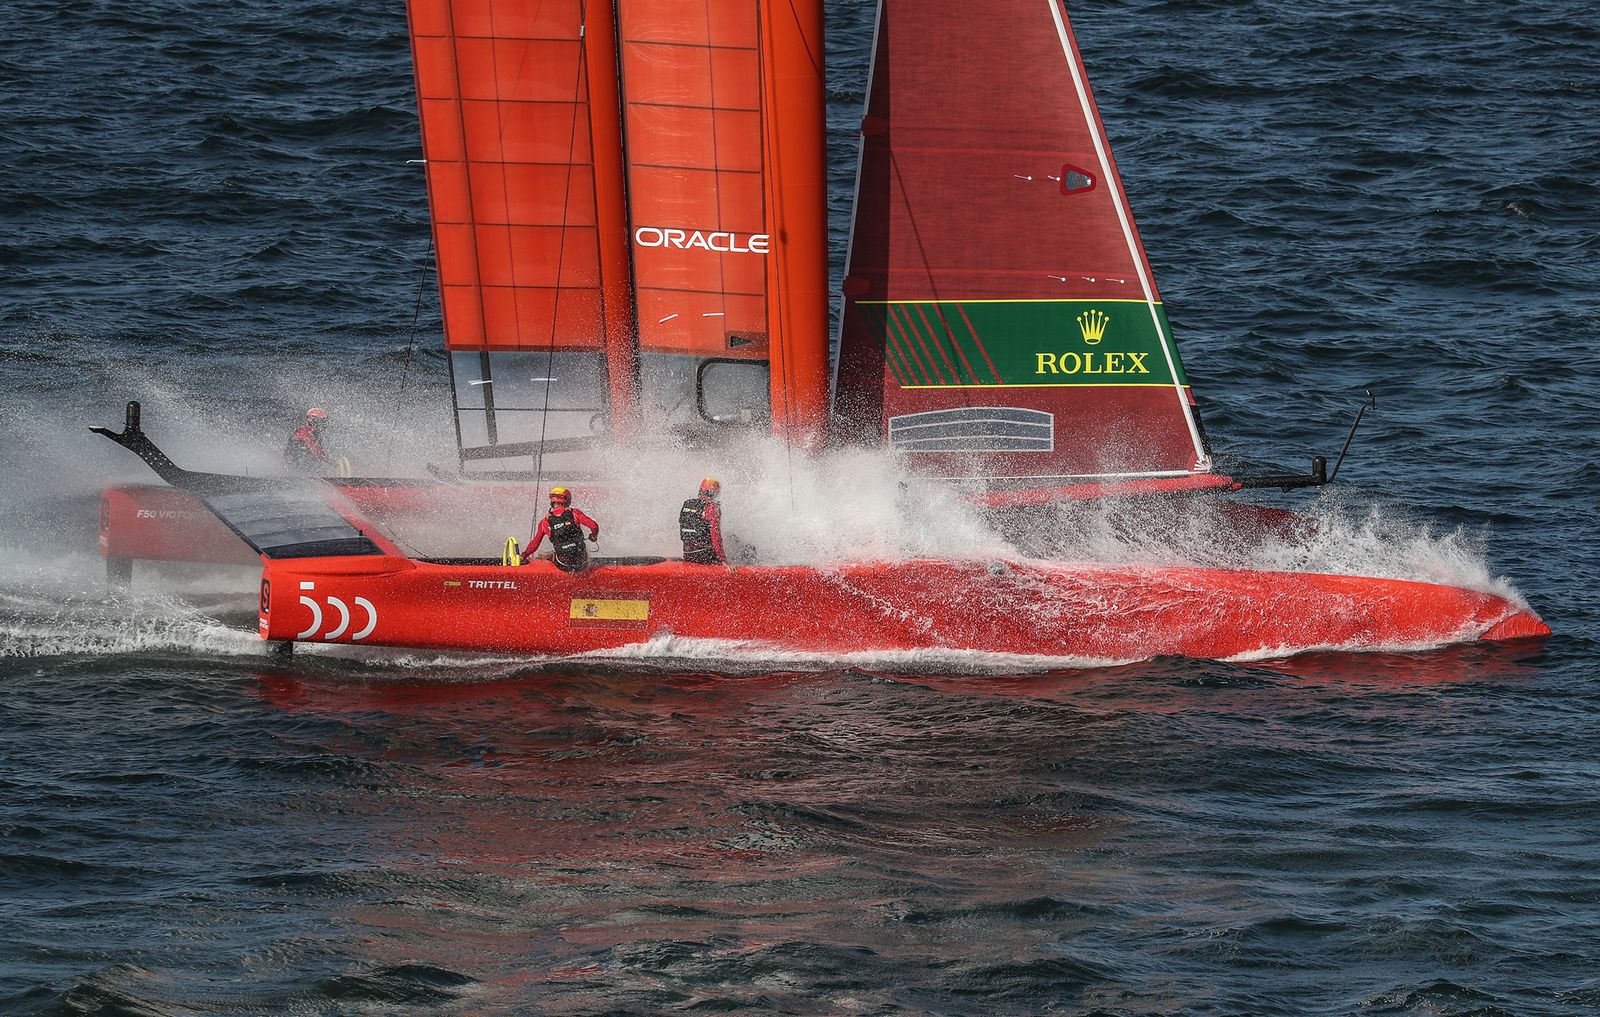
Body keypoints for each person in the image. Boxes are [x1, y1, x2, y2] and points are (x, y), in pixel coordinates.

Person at [527, 486, 599, 572]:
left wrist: (523, 555)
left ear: (552, 502)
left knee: (544, 554)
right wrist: (594, 536)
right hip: (582, 563)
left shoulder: (544, 522)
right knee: (579, 551)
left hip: (563, 564)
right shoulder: (575, 513)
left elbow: (535, 544)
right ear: (567, 500)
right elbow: (594, 526)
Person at [679, 476, 725, 565]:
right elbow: (715, 535)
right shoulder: (712, 507)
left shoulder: (688, 504)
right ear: (715, 492)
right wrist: (723, 560)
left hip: (688, 555)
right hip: (705, 556)